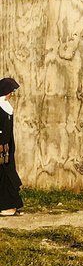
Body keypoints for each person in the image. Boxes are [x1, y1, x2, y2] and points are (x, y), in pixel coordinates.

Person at [0, 78, 22, 216]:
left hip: (7, 147)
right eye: (10, 92)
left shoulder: (6, 107)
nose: (11, 95)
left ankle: (9, 205)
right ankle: (6, 206)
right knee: (4, 175)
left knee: (7, 173)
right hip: (1, 148)